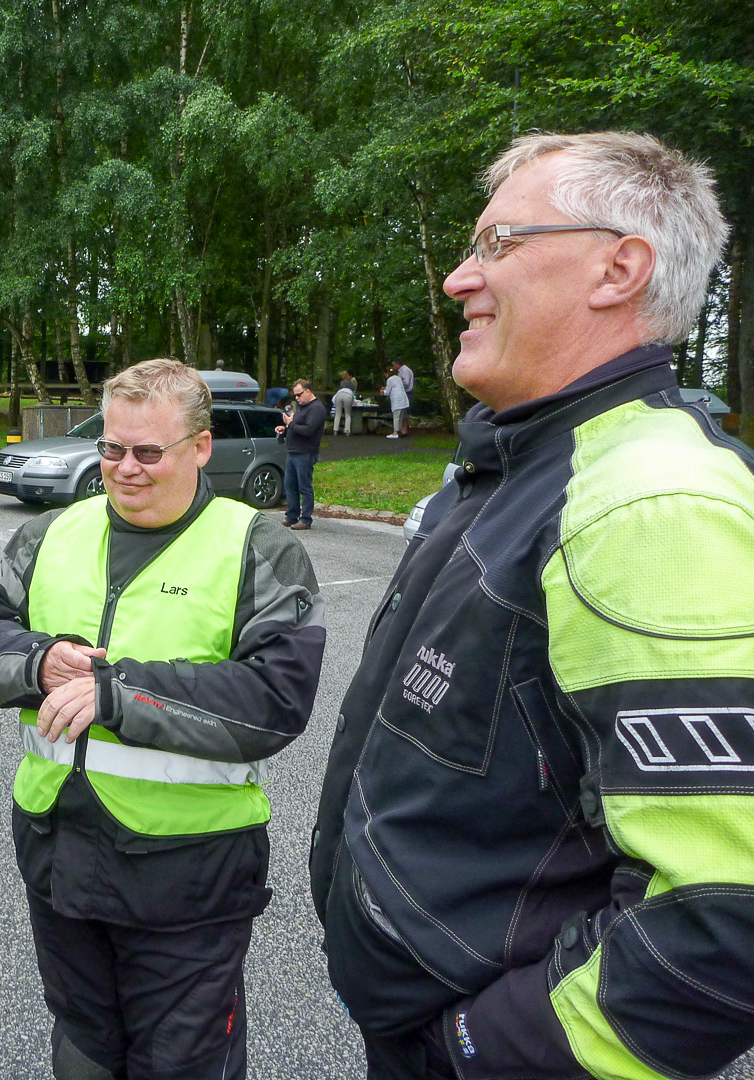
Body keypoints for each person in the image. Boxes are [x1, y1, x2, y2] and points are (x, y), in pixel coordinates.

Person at [311, 131, 754, 1080]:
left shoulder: (652, 501)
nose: (458, 279)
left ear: (618, 269)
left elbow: (723, 920)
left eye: (499, 243)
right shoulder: (518, 462)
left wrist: (474, 1051)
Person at [0, 358, 326, 1080]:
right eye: (112, 447)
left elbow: (275, 703)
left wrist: (118, 694)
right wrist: (40, 662)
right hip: (59, 855)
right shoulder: (49, 534)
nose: (125, 469)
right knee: (85, 1048)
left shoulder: (258, 547)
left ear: (201, 447)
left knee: (182, 1063)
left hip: (190, 875)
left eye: (149, 452)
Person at [275, 378, 326, 529]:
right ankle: (292, 516)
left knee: (304, 486)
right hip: (293, 451)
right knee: (290, 485)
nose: (297, 398)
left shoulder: (316, 409)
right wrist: (285, 430)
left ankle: (305, 519)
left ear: (308, 391)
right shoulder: (301, 407)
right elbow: (296, 427)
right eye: (295, 395)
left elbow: (308, 430)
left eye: (299, 395)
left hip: (305, 453)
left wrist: (290, 424)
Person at [382, 363, 409, 439]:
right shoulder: (398, 378)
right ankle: (399, 430)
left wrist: (382, 391)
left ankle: (395, 432)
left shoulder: (389, 380)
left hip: (397, 400)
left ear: (387, 373)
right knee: (401, 417)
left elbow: (387, 392)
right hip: (403, 399)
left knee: (396, 417)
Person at [332, 370, 358, 436]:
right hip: (348, 395)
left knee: (338, 413)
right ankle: (347, 430)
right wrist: (353, 401)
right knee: (347, 414)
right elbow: (353, 391)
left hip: (339, 395)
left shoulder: (341, 383)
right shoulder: (351, 383)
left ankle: (335, 430)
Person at [397, 361, 414, 433]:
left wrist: (397, 386)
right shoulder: (401, 371)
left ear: (398, 364)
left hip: (406, 393)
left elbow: (406, 383)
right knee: (403, 410)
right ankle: (403, 428)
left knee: (404, 410)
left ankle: (404, 429)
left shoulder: (405, 371)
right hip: (404, 393)